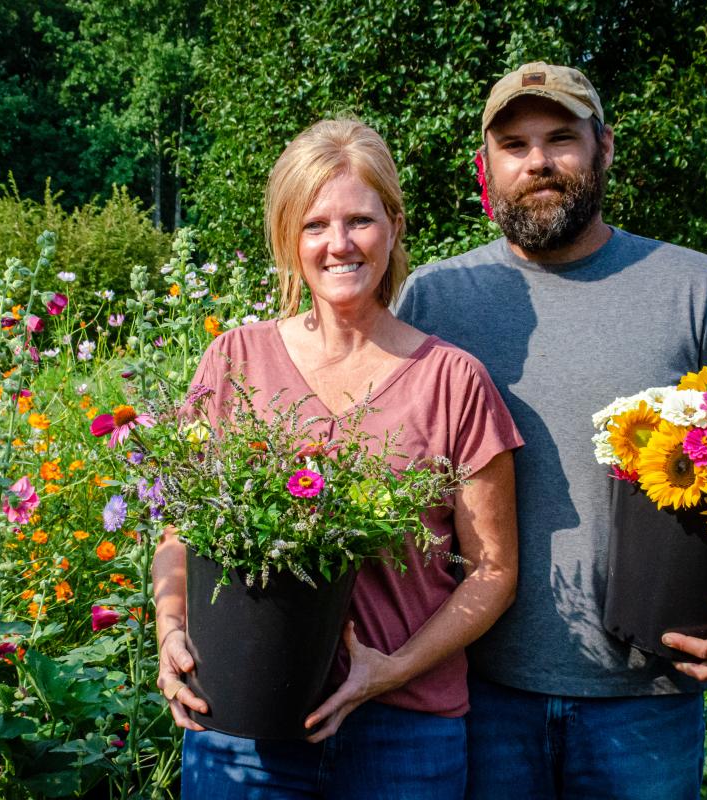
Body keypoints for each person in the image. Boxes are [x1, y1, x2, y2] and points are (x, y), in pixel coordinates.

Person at [394, 62, 707, 799]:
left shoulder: (696, 290)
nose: (539, 161)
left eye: (561, 138)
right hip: (479, 688)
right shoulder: (437, 296)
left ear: (605, 148)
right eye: (514, 144)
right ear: (486, 165)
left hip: (648, 694)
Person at [152, 118, 522, 799]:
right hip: (245, 723)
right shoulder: (235, 360)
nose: (339, 244)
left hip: (405, 733)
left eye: (360, 220)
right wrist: (171, 630)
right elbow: (180, 532)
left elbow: (493, 571)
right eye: (315, 223)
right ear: (289, 236)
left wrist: (392, 668)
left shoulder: (453, 380)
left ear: (394, 224)